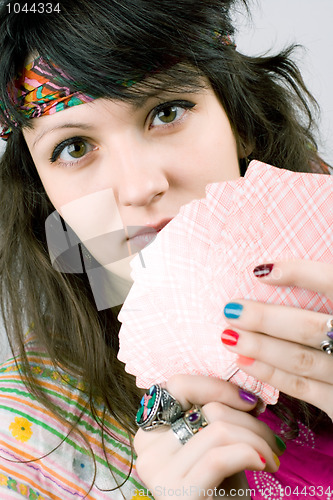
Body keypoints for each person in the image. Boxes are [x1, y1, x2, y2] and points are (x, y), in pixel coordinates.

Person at [0, 0, 331, 498]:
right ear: (44, 193)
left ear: (237, 120)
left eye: (166, 112)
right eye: (74, 147)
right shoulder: (26, 438)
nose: (140, 186)